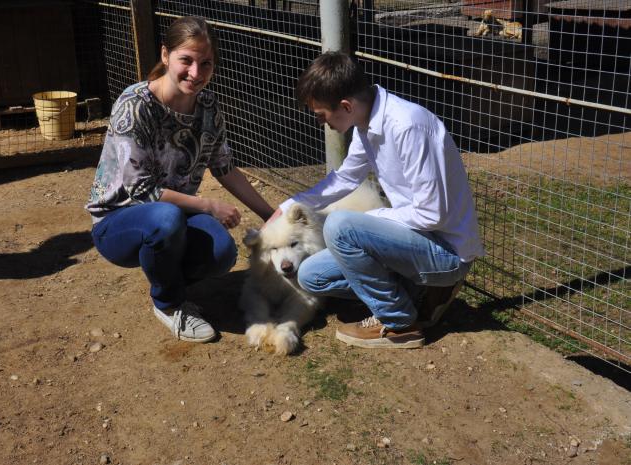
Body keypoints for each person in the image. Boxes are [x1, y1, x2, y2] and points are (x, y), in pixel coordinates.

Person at [268, 52, 485, 349]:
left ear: (346, 106)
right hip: (413, 241)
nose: (321, 123)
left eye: (321, 115)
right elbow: (345, 179)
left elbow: (431, 215)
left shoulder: (408, 126)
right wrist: (286, 206)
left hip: (446, 251)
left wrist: (368, 222)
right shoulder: (365, 124)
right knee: (310, 276)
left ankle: (399, 322)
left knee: (341, 226)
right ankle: (414, 292)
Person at [86, 16, 274, 343]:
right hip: (118, 219)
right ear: (165, 55)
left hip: (174, 214)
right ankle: (169, 304)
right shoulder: (135, 105)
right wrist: (208, 205)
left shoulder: (209, 107)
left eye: (206, 63)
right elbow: (141, 190)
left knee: (222, 253)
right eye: (186, 60)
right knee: (165, 219)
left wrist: (270, 215)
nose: (196, 73)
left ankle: (165, 275)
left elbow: (224, 167)